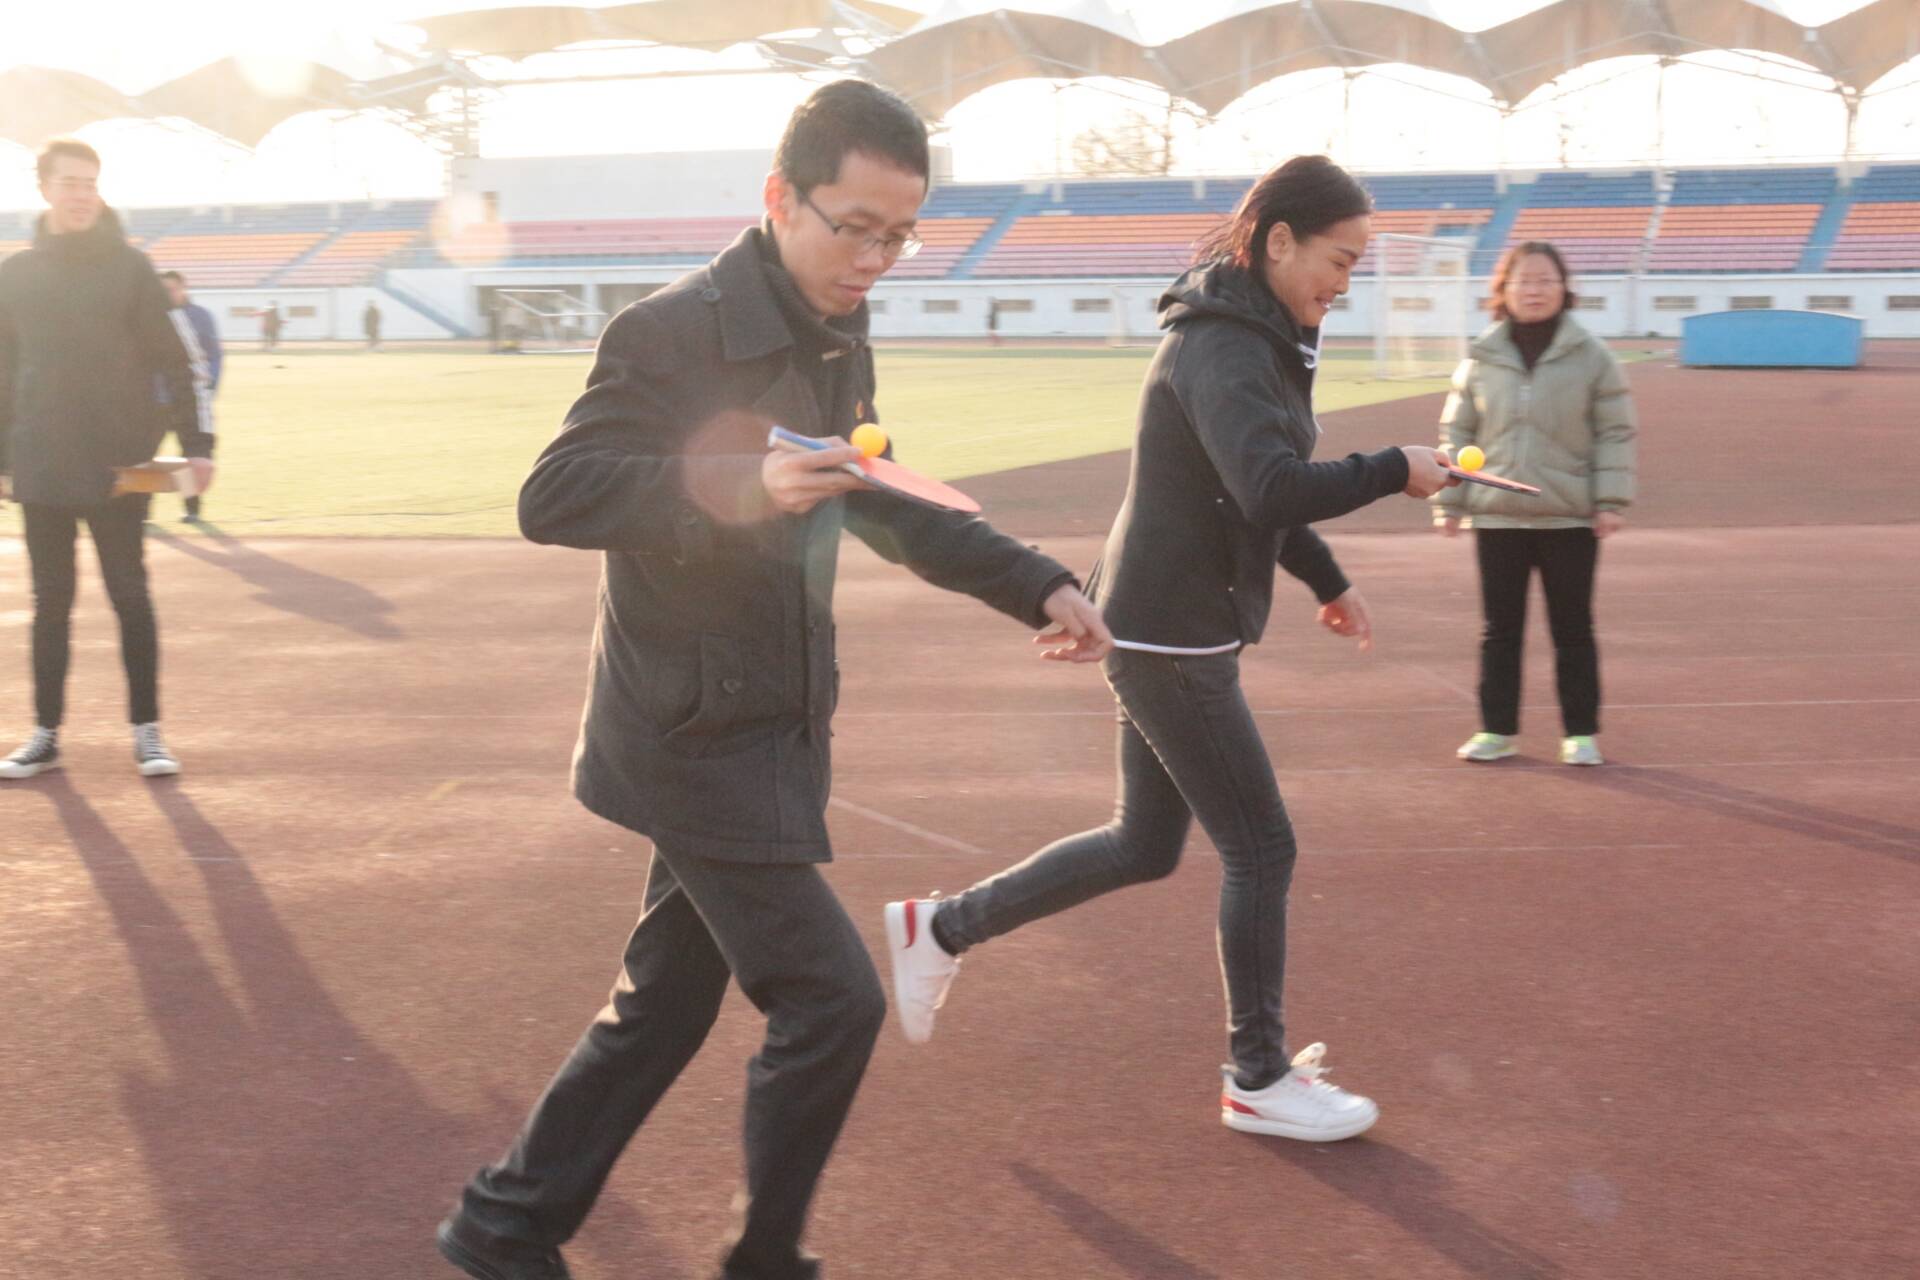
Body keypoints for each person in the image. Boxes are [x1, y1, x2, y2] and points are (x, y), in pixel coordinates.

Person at [436, 80, 1111, 1280]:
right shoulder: (668, 331)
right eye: (855, 227)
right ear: (780, 200)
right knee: (831, 999)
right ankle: (759, 1259)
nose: (875, 259)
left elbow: (880, 497)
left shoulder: (838, 333)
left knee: (664, 1002)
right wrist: (736, 484)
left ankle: (505, 1219)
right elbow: (556, 496)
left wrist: (1034, 581)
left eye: (900, 236)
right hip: (688, 731)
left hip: (769, 718)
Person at [883, 155, 1456, 1144]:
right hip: (1170, 635)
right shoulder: (1225, 345)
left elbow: (1252, 488)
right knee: (1262, 847)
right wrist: (1392, 467)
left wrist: (1327, 579)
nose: (1345, 282)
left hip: (1171, 624)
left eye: (1357, 266)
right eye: (1339, 259)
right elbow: (1271, 488)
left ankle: (940, 926)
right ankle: (1257, 1076)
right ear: (1279, 241)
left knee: (1144, 845)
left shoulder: (1256, 333)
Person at [0, 137, 214, 781]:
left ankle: (148, 732)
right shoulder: (15, 274)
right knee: (50, 603)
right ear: (44, 188)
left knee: (130, 595)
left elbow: (180, 362)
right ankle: (44, 735)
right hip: (41, 464)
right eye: (70, 183)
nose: (82, 195)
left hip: (120, 466)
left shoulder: (131, 268)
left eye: (91, 183)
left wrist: (197, 446)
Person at [1435, 241, 1637, 767]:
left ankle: (1581, 734)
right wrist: (1450, 501)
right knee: (1499, 632)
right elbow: (1458, 432)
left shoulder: (1591, 356)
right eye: (1523, 280)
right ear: (1503, 290)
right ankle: (1496, 730)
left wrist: (1610, 499)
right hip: (1498, 515)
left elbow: (1614, 431)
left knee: (1573, 631)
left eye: (1546, 280)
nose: (1535, 290)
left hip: (1568, 516)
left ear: (1564, 289)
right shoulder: (1482, 356)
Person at [160, 270, 221, 522]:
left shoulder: (200, 317)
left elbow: (213, 355)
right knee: (142, 456)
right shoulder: (150, 319)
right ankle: (140, 511)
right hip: (155, 400)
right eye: (162, 290)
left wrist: (209, 386)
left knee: (191, 456)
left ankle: (191, 507)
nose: (167, 294)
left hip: (188, 399)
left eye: (171, 289)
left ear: (183, 288)